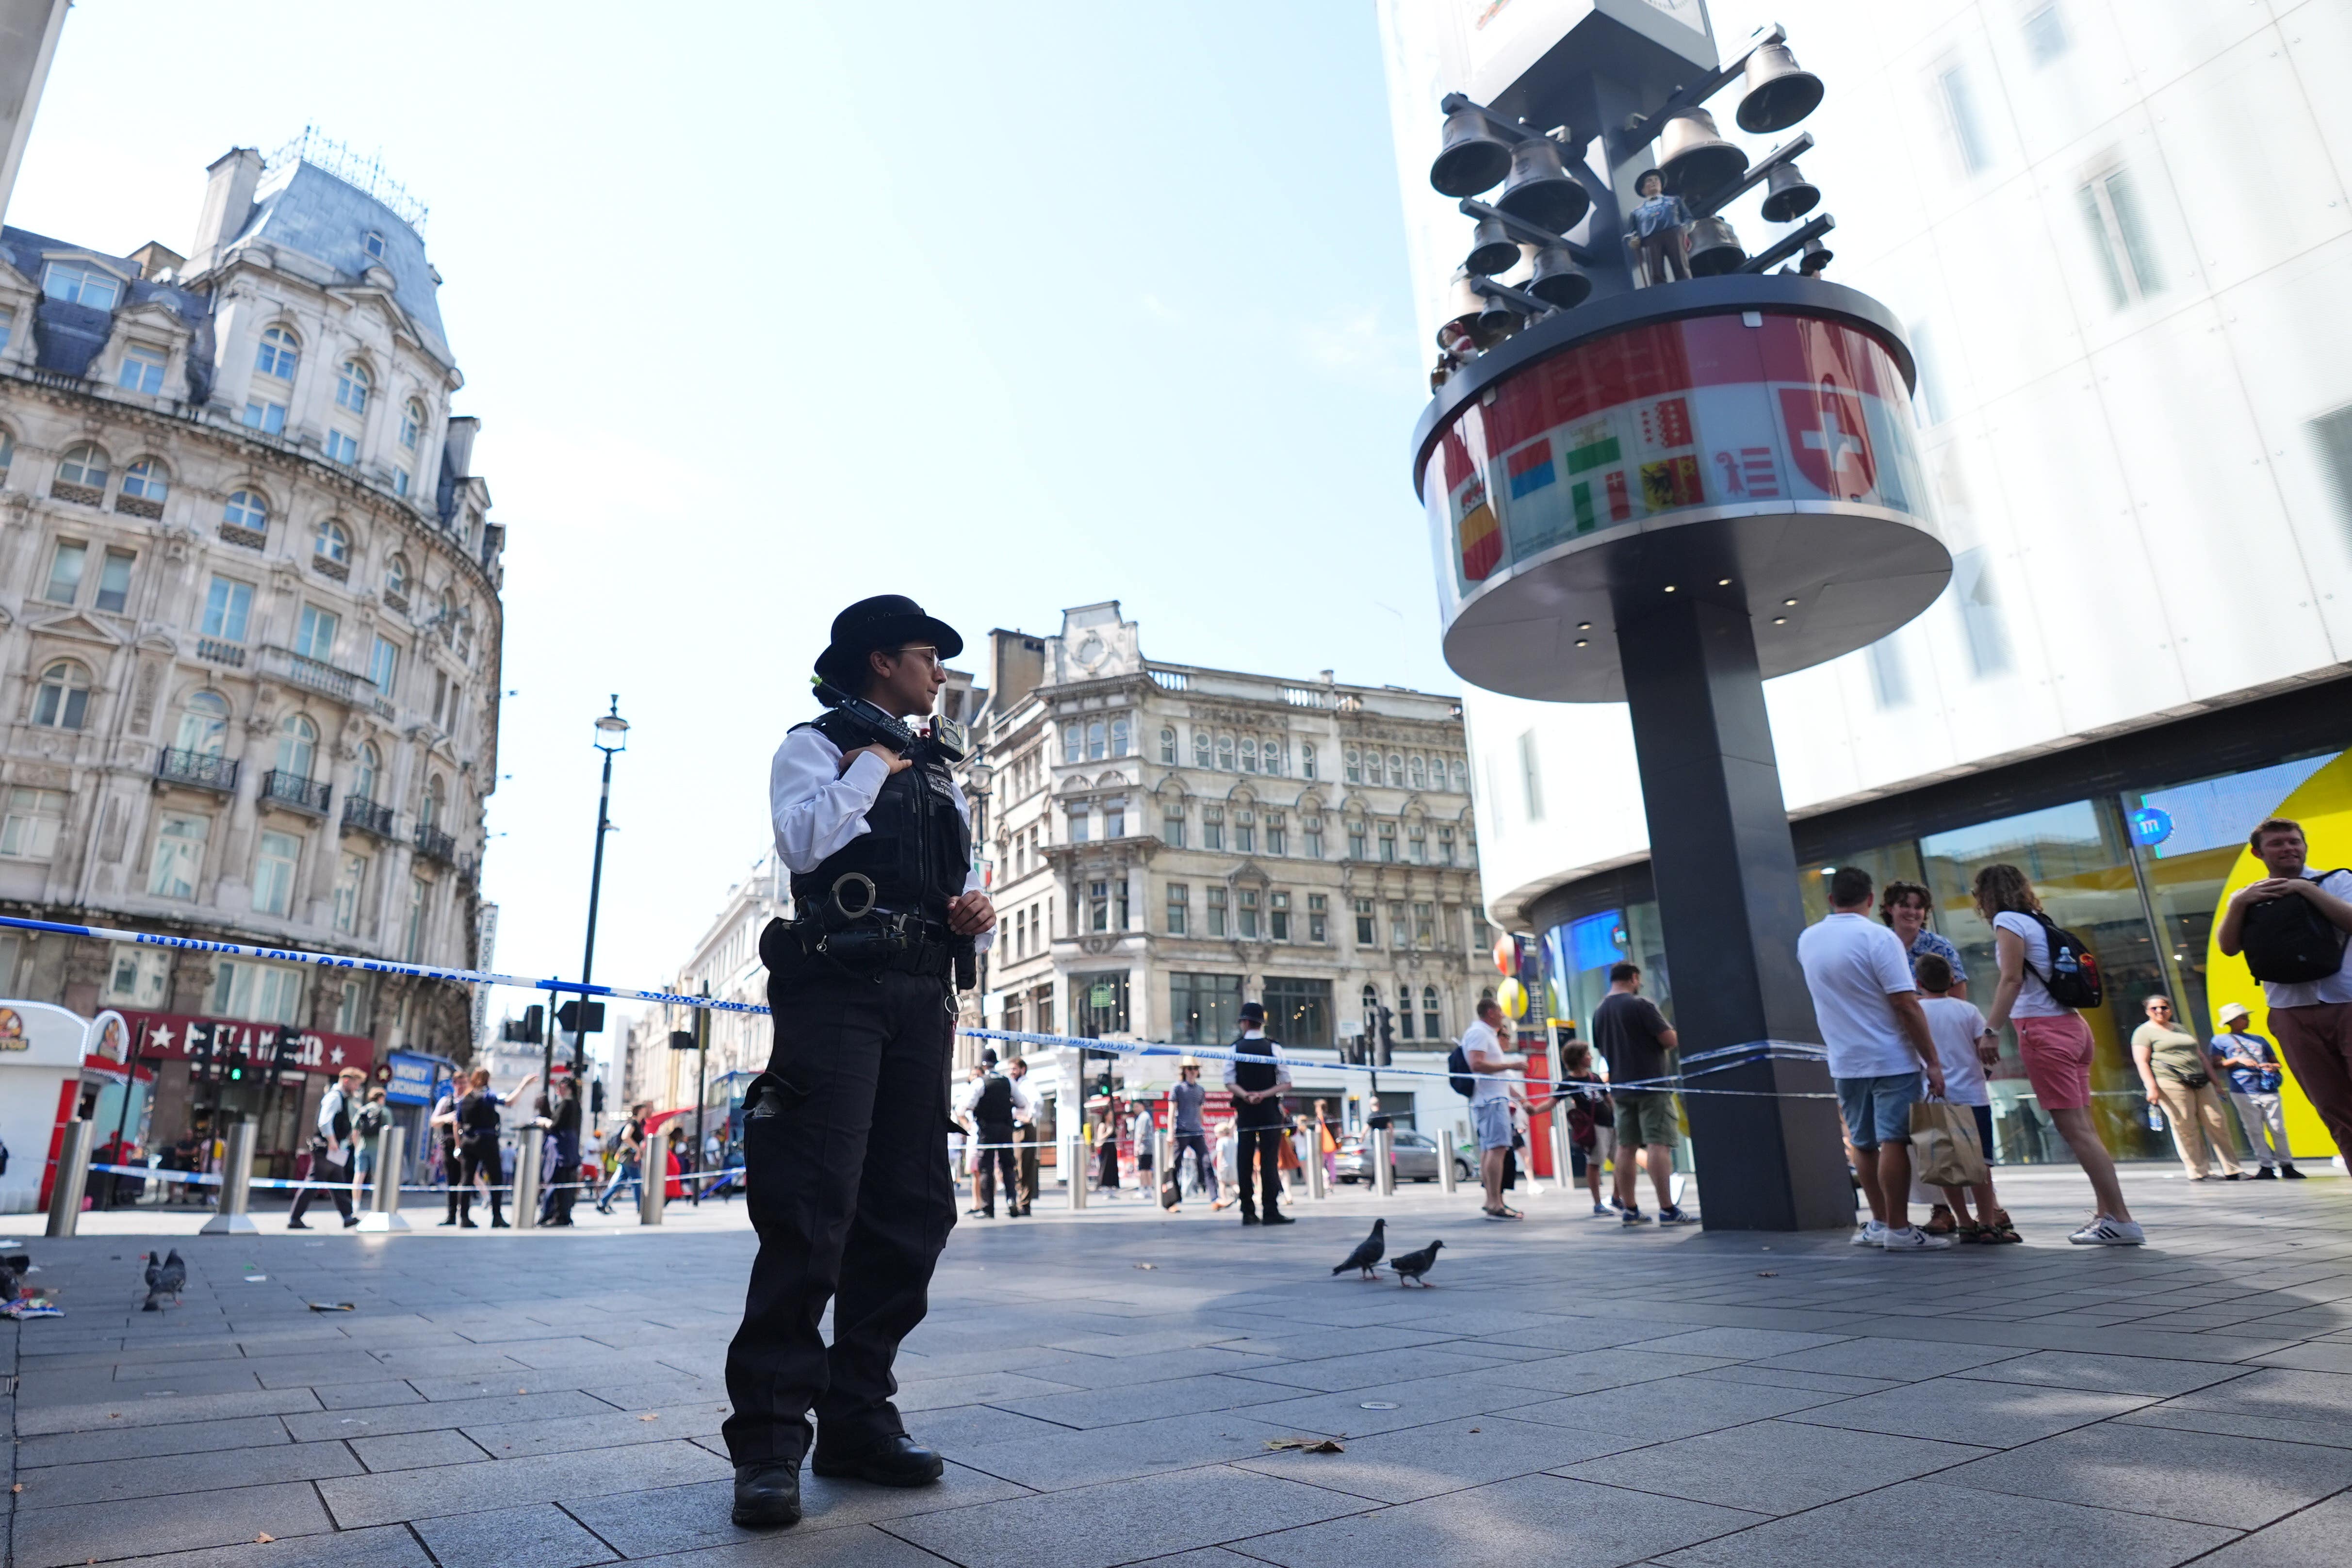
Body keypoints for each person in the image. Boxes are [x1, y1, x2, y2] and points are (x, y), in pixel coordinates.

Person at [722, 594, 995, 1530]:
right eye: (929, 658)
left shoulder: (940, 769)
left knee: (912, 1206)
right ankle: (766, 1444)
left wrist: (973, 908)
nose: (940, 676)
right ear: (882, 661)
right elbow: (803, 841)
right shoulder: (819, 743)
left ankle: (858, 1417)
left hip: (924, 998)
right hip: (836, 992)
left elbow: (954, 878)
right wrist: (871, 765)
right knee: (811, 1208)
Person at [1976, 862, 2143, 1244]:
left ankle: (2122, 1220)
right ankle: (2107, 1216)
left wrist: (1991, 1032)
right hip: (2074, 1026)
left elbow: (2012, 979)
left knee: (2077, 1133)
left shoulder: (2008, 921)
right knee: (2087, 1129)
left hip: (2042, 1031)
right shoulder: (2039, 920)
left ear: (1985, 896)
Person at [1798, 868, 1952, 1252]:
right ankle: (1899, 1230)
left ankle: (1879, 1223)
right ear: (1870, 901)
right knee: (1894, 1141)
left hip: (1845, 1059)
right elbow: (1906, 1003)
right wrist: (1932, 1061)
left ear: (1832, 900)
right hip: (1890, 1058)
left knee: (1863, 1144)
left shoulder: (1808, 939)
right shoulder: (1879, 937)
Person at [2218, 818, 2352, 1164]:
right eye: (2278, 843)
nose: (2289, 848)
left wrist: (2306, 889)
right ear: (2258, 852)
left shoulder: (2336, 880)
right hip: (2289, 1011)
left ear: (2305, 846)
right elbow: (2228, 947)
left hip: (2346, 1002)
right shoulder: (2247, 896)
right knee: (2333, 1108)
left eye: (2294, 842)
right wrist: (2240, 903)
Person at [1913, 953, 2016, 1242]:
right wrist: (1982, 1074)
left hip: (1932, 1095)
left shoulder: (1916, 1012)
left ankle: (1964, 1222)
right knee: (1981, 1163)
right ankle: (1986, 1223)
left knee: (1944, 1165)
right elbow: (1983, 1050)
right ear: (1952, 980)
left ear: (1918, 983)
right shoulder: (1968, 1011)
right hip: (1973, 1095)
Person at [1587, 966, 1694, 1227]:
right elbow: (1669, 1040)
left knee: (1626, 1147)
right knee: (1659, 1144)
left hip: (1622, 1088)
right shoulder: (1641, 1005)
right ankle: (1668, 1210)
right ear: (1634, 978)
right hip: (1653, 1086)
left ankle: (1631, 1210)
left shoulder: (1600, 1012)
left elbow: (1601, 1049)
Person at [2131, 995, 2238, 1182]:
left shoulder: (2180, 1028)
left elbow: (2201, 1056)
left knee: (2217, 1121)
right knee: (2185, 1126)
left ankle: (2232, 1169)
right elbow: (2142, 1062)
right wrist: (2152, 1087)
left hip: (2200, 1080)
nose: (2160, 1012)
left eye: (2164, 1008)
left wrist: (2216, 1083)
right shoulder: (2144, 1032)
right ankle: (2199, 1171)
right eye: (2154, 1009)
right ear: (2147, 1011)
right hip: (2171, 1082)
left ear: (2170, 1009)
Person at [1223, 1002, 1293, 1225]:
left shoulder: (1235, 1048)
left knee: (1245, 1160)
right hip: (1269, 1110)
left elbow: (1229, 1081)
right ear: (1261, 1023)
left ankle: (1248, 1211)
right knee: (1269, 1160)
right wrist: (1263, 1094)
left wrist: (1246, 1095)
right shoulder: (1274, 1048)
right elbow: (1286, 1082)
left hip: (1245, 1110)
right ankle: (1271, 1210)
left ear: (1244, 1023)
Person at [2214, 1002, 2302, 1179]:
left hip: (2267, 1088)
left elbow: (2277, 1063)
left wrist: (2271, 1066)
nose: (2247, 1020)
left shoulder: (2260, 1040)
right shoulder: (2220, 1041)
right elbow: (2216, 1064)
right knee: (2254, 1129)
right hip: (2242, 1089)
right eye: (2243, 1017)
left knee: (2277, 1127)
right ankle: (2266, 1166)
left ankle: (2287, 1164)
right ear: (2232, 1021)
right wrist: (2238, 1060)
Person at [1461, 998, 1528, 1221]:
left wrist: (1521, 1099)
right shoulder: (1480, 1033)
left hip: (1493, 1098)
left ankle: (1493, 1201)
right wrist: (1511, 1064)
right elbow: (1477, 1065)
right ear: (1491, 1012)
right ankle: (1494, 1202)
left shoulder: (1485, 1034)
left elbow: (1497, 1076)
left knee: (1493, 1149)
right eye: (1500, 1011)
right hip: (1490, 1100)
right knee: (1496, 1149)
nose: (1503, 1015)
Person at [453, 1066, 534, 1228]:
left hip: (468, 1141)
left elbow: (457, 1123)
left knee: (467, 1179)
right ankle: (496, 1216)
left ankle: (464, 1218)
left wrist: (458, 1145)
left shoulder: (465, 1098)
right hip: (487, 1140)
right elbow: (509, 1101)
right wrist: (523, 1085)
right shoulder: (488, 1096)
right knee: (496, 1178)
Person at [955, 1049, 1032, 1218]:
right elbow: (1023, 1103)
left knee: (986, 1168)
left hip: (986, 1130)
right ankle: (1012, 1201)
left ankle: (988, 1207)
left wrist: (969, 1121)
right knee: (1008, 1166)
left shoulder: (980, 1083)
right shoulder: (1008, 1082)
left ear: (984, 1065)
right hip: (1006, 1129)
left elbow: (963, 1107)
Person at [289, 1066, 368, 1230]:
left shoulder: (342, 1098)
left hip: (332, 1150)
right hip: (326, 1149)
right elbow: (324, 1122)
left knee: (337, 1182)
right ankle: (295, 1219)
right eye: (355, 1084)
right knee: (313, 1183)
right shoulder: (334, 1097)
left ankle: (348, 1217)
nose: (357, 1088)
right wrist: (332, 1141)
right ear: (346, 1081)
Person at [1882, 880, 1968, 1000]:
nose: (1912, 912)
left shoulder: (1941, 947)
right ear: (1890, 909)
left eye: (1918, 907)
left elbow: (1958, 999)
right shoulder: (1878, 945)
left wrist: (1909, 1002)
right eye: (1905, 905)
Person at [1558, 1042, 1616, 1217]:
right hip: (1595, 1127)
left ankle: (1617, 1197)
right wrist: (1534, 1110)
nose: (1591, 1057)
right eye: (1587, 1054)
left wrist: (1618, 1117)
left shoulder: (1595, 1078)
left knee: (1620, 1162)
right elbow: (1553, 1100)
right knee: (1595, 1163)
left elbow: (1608, 1100)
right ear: (1578, 1058)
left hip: (1610, 1124)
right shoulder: (1569, 1082)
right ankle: (1598, 1203)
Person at [1168, 1058, 1216, 1207]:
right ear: (1184, 1070)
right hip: (1182, 1131)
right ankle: (1173, 1199)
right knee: (1176, 1165)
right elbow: (1172, 1110)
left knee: (1207, 1162)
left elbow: (1201, 1110)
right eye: (1190, 1068)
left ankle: (1215, 1198)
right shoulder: (1177, 1088)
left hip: (1197, 1131)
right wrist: (1171, 1132)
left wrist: (1202, 1126)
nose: (1193, 1071)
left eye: (1195, 1068)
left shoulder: (1200, 1090)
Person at [1630, 169, 1691, 285]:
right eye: (1649, 181)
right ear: (1643, 189)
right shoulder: (1637, 212)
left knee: (1680, 265)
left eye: (1656, 180)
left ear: (1661, 185)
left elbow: (1688, 218)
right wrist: (1633, 240)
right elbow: (1632, 233)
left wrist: (1685, 229)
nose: (1654, 182)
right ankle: (1660, 293)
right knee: (1655, 271)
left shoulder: (1674, 201)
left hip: (1674, 233)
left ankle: (1686, 286)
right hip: (1650, 239)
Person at [596, 1102, 649, 1214]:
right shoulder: (633, 1123)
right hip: (629, 1157)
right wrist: (638, 1149)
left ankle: (603, 1202)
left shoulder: (638, 1124)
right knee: (637, 1182)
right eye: (645, 1110)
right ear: (640, 1110)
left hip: (628, 1157)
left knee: (620, 1182)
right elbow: (625, 1137)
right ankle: (641, 1208)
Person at [546, 1076, 585, 1225]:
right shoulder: (577, 1104)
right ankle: (564, 1214)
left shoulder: (566, 1104)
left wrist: (545, 1122)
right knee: (567, 1181)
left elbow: (555, 1125)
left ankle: (560, 1215)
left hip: (562, 1148)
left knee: (560, 1180)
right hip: (571, 1147)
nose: (557, 1090)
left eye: (559, 1087)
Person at [1006, 1057, 1040, 1212]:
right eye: (1010, 1069)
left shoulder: (1027, 1085)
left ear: (1023, 1070)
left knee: (1024, 1167)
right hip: (1014, 1129)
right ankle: (1020, 1202)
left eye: (1014, 1069)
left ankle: (1024, 1204)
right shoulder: (1014, 1084)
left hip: (1024, 1130)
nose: (1011, 1072)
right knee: (1015, 1166)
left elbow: (1037, 1101)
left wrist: (1028, 1117)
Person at [430, 1077, 464, 1226]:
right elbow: (434, 1121)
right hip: (449, 1144)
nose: (463, 1086)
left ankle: (465, 1215)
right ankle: (451, 1215)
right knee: (452, 1180)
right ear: (454, 1085)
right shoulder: (446, 1101)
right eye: (460, 1083)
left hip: (467, 1144)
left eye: (465, 1083)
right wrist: (447, 1118)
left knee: (466, 1180)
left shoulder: (470, 1101)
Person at [350, 1086, 391, 1206]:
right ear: (381, 1098)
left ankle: (355, 1204)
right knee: (377, 1176)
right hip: (378, 1149)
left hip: (362, 1147)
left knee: (359, 1175)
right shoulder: (385, 1111)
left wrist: (357, 1146)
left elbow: (355, 1131)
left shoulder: (363, 1110)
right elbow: (389, 1131)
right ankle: (377, 1204)